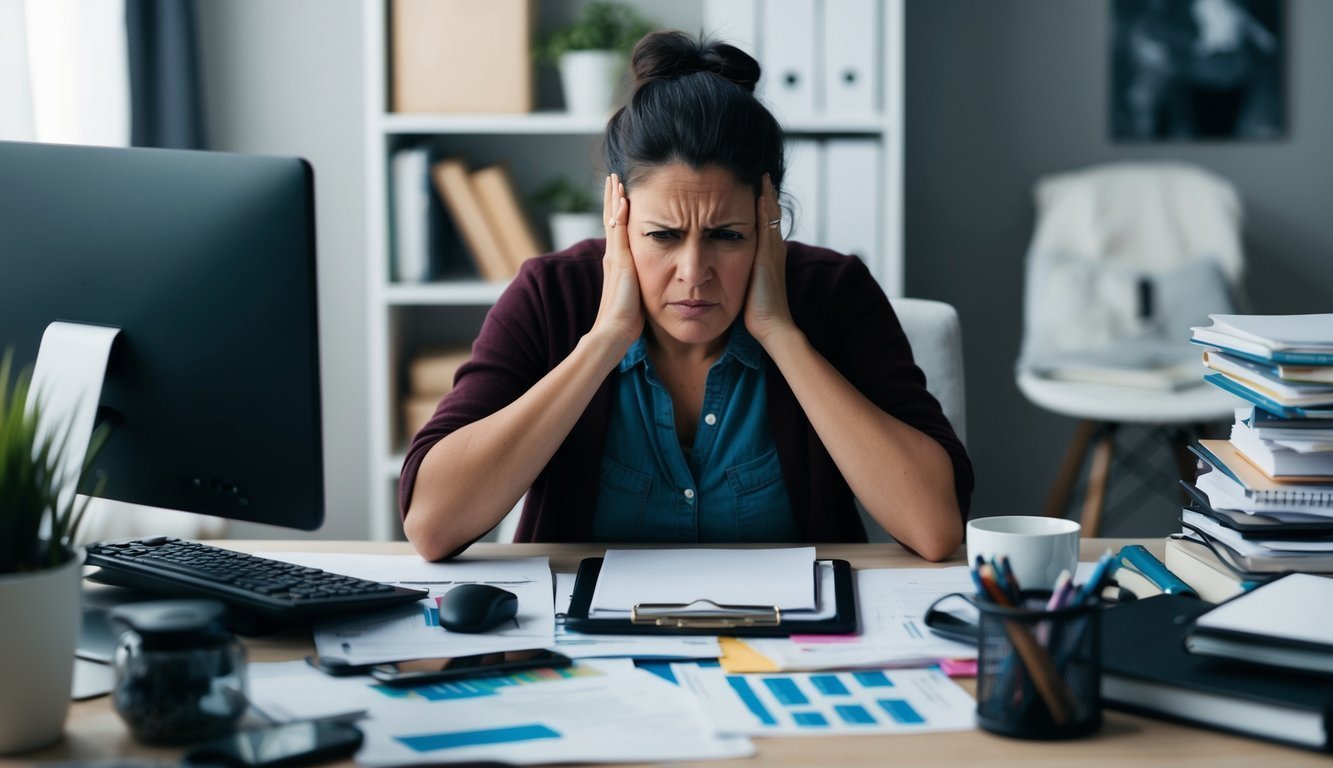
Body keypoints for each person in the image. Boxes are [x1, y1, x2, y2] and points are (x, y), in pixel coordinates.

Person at [400, 31, 972, 561]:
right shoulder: (552, 294)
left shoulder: (834, 293)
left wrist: (783, 335)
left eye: (728, 236)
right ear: (618, 219)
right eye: (662, 236)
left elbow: (935, 527)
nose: (694, 272)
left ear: (767, 219)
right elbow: (432, 524)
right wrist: (605, 340)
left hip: (789, 649)